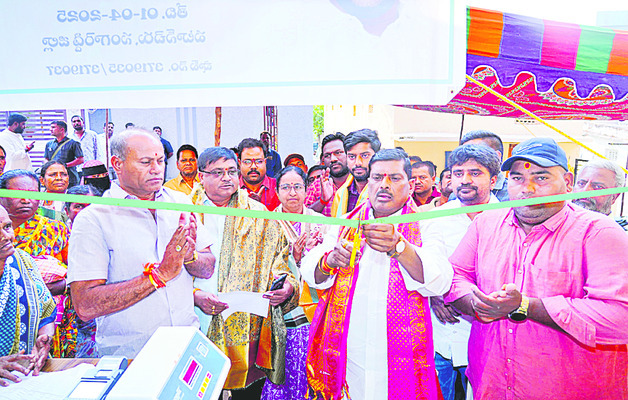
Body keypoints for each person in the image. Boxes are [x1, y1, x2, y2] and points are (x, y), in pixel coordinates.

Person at [445, 137, 628, 399]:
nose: (527, 188)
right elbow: (456, 276)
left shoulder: (598, 232)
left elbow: (620, 317)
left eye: (541, 178)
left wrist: (527, 307)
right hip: (491, 383)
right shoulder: (486, 223)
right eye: (517, 178)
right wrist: (476, 303)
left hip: (570, 390)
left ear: (567, 182)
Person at [302, 149, 452, 400]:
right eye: (378, 177)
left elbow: (440, 281)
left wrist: (400, 247)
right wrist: (330, 260)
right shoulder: (346, 223)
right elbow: (310, 271)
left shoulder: (426, 224)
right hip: (348, 355)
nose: (384, 185)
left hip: (402, 356)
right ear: (367, 182)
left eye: (395, 178)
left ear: (410, 185)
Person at [68, 129, 215, 358]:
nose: (156, 169)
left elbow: (208, 268)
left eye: (160, 161)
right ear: (117, 164)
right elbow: (85, 306)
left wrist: (189, 257)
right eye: (145, 162)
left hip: (188, 345)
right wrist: (159, 275)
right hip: (132, 355)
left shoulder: (179, 201)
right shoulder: (94, 219)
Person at [189, 147, 298, 400]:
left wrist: (287, 287)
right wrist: (194, 295)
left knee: (246, 392)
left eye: (231, 171)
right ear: (201, 176)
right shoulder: (182, 211)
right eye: (218, 172)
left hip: (245, 323)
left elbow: (281, 260)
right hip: (195, 317)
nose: (227, 178)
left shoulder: (258, 214)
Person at [420, 145, 501, 400]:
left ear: (494, 180)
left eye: (475, 173)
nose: (465, 180)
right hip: (439, 331)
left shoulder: (510, 218)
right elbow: (420, 266)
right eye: (458, 173)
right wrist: (434, 295)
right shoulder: (434, 217)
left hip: (488, 334)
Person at [262, 166, 328, 400]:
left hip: (316, 310)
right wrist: (292, 259)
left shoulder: (321, 223)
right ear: (277, 191)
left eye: (297, 187)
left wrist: (306, 259)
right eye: (286, 187)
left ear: (306, 189)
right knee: (285, 371)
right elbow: (264, 267)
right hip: (282, 312)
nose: (292, 193)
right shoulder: (268, 224)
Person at [0, 169, 70, 357]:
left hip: (48, 322)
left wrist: (56, 286)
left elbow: (75, 274)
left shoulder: (56, 229)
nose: (26, 200)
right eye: (18, 194)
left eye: (32, 194)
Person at [0, 205, 55, 386]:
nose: (5, 236)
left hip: (26, 380)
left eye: (7, 227)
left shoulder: (23, 261)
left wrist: (44, 339)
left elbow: (46, 311)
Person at [330, 129, 380, 217]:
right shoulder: (340, 194)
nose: (358, 163)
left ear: (377, 156)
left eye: (365, 156)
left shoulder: (384, 192)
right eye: (352, 157)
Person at [305, 133, 350, 217]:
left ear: (349, 154)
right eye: (327, 155)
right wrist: (322, 201)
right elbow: (304, 217)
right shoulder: (316, 185)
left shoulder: (359, 183)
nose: (333, 159)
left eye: (338, 152)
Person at [459, 130, 509, 201]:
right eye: (464, 155)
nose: (468, 160)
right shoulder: (458, 192)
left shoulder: (513, 195)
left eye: (474, 153)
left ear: (497, 156)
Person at [237, 138, 281, 211]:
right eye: (247, 162)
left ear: (265, 162)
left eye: (258, 161)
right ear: (239, 163)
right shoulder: (231, 189)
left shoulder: (279, 187)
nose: (253, 166)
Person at [45, 120, 83, 188]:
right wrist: (48, 166)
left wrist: (65, 165)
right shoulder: (49, 144)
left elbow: (80, 159)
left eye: (53, 127)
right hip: (54, 177)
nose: (50, 129)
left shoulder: (73, 143)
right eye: (50, 127)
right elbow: (46, 158)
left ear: (62, 130)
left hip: (70, 177)